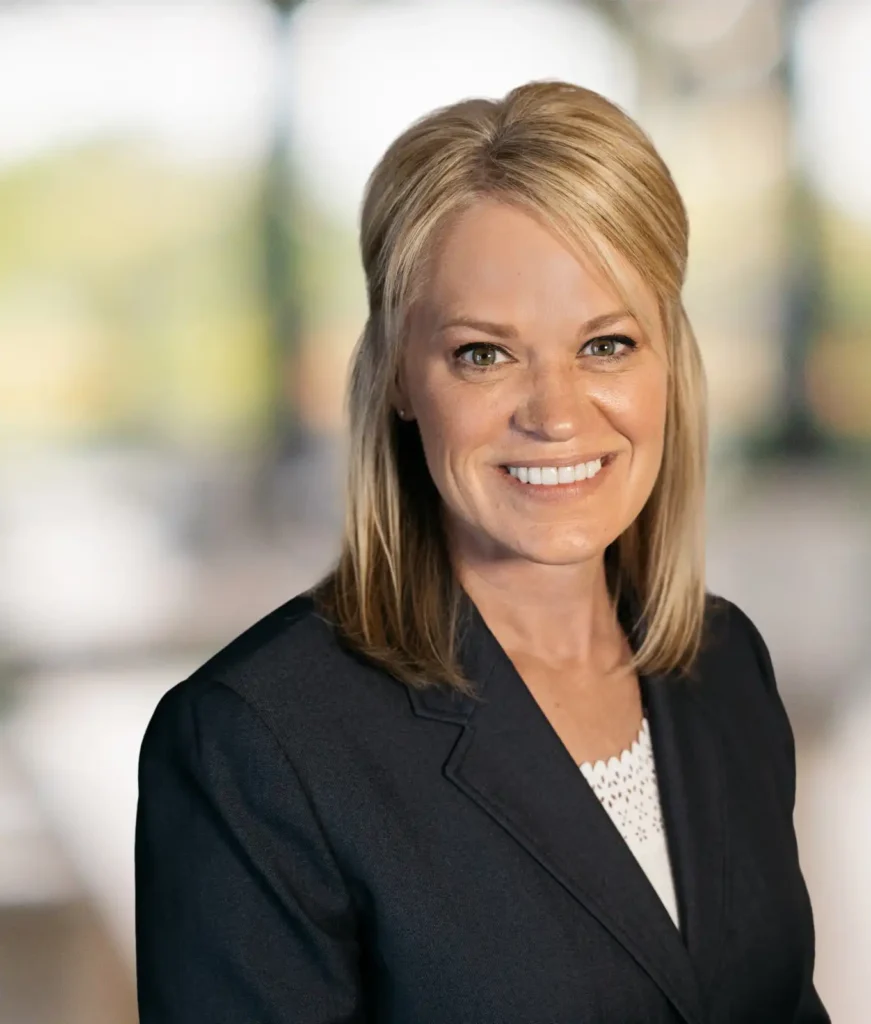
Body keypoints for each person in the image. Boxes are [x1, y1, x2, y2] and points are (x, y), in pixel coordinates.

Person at [135, 80, 830, 1024]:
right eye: (484, 354)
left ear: (671, 360)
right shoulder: (254, 744)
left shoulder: (723, 666)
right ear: (397, 376)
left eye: (608, 344)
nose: (555, 414)